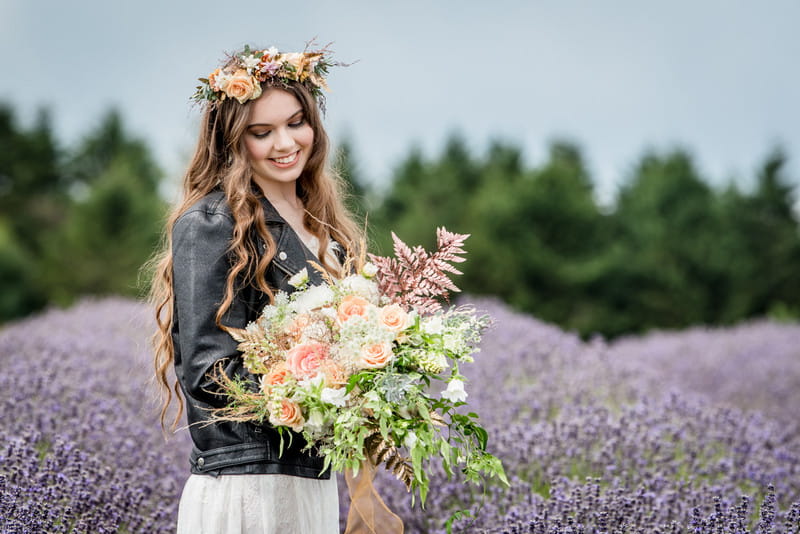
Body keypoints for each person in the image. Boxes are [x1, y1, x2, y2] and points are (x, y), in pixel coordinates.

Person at [149, 44, 364, 534]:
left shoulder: (329, 229)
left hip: (312, 480)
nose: (285, 143)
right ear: (232, 140)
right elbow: (209, 370)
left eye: (296, 123)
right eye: (261, 133)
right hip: (249, 483)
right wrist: (322, 401)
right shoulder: (211, 222)